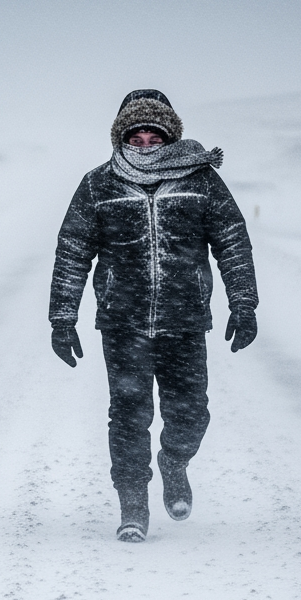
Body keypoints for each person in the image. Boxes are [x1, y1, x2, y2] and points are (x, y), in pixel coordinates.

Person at [48, 89, 258, 542]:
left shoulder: (201, 181)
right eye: (136, 136)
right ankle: (133, 506)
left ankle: (173, 462)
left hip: (184, 323)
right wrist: (63, 318)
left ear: (170, 137)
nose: (144, 144)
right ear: (121, 137)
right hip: (123, 325)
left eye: (154, 136)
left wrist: (244, 303)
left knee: (190, 414)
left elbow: (232, 243)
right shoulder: (97, 185)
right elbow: (72, 252)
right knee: (128, 415)